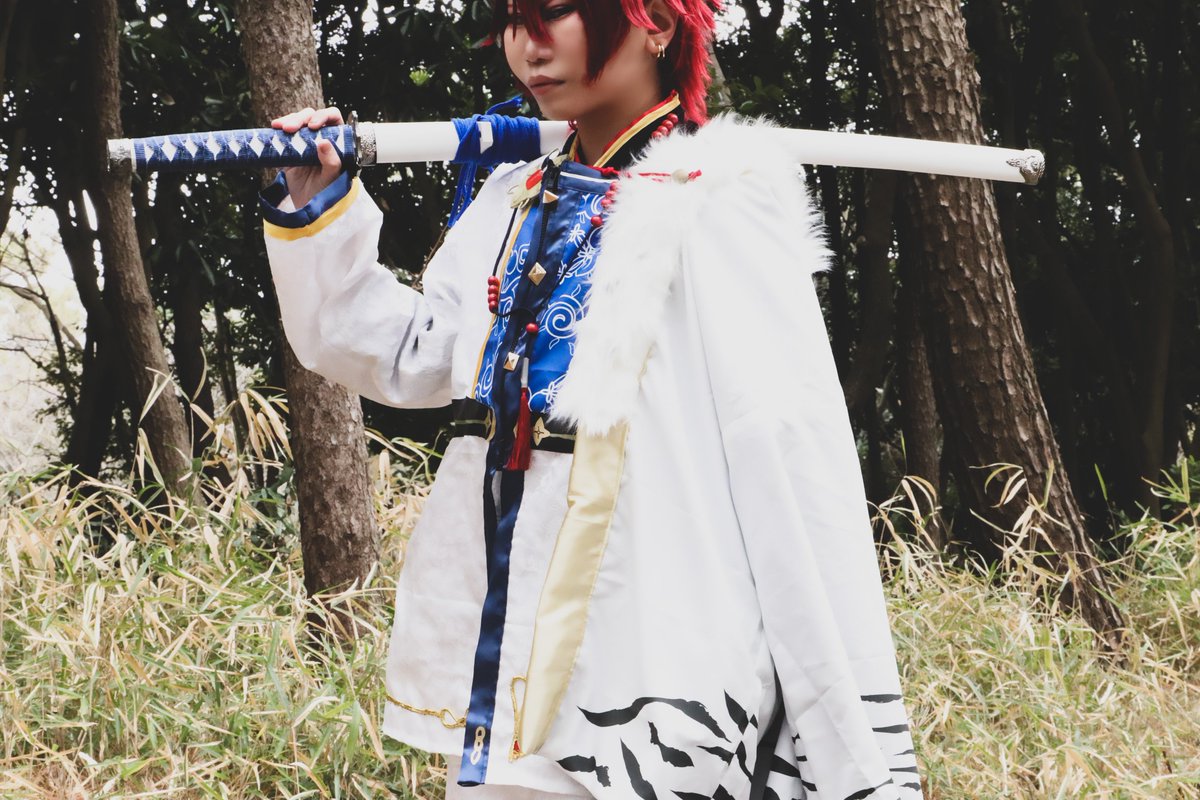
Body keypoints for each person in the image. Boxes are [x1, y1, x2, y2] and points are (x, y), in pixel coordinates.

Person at [260, 0, 925, 797]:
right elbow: (411, 356)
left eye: (557, 12)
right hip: (508, 654)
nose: (528, 46)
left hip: (658, 663)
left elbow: (787, 453)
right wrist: (319, 204)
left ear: (659, 23)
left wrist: (842, 723)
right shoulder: (514, 196)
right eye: (514, 18)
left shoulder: (718, 202)